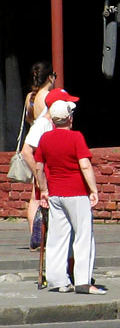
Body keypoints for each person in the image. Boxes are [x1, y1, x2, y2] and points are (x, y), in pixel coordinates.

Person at [34, 96, 105, 295]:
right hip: (76, 192)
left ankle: (57, 280)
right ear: (69, 119)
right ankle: (83, 281)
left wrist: (44, 190)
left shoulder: (45, 139)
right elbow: (84, 164)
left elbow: (39, 167)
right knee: (83, 236)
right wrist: (93, 190)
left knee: (57, 236)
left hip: (55, 193)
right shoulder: (76, 137)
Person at [21, 86, 75, 248]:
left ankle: (40, 239)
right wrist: (39, 176)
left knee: (37, 199)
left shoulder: (51, 124)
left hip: (46, 171)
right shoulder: (42, 124)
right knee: (38, 201)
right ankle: (37, 239)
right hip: (43, 171)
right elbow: (26, 151)